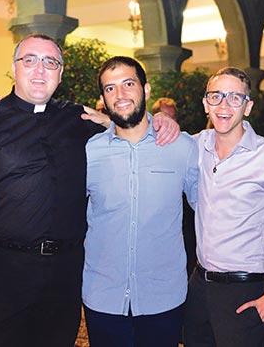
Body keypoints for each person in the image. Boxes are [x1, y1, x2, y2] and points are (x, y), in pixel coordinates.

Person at [0, 34, 179, 347]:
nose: (40, 70)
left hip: (62, 281)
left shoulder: (77, 120)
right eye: (30, 60)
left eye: (50, 62)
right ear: (14, 68)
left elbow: (125, 130)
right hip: (0, 276)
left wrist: (157, 119)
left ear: (60, 73)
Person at [184, 67, 264, 346]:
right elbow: (149, 139)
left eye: (235, 97)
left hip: (243, 290)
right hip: (199, 286)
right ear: (205, 103)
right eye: (216, 96)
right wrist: (108, 121)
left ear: (248, 107)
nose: (224, 105)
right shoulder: (195, 146)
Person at [82, 56, 198, 346]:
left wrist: (257, 231)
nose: (120, 95)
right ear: (102, 99)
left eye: (128, 84)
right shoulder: (87, 152)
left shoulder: (181, 147)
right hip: (103, 298)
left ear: (146, 90)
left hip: (163, 298)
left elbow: (210, 205)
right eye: (110, 88)